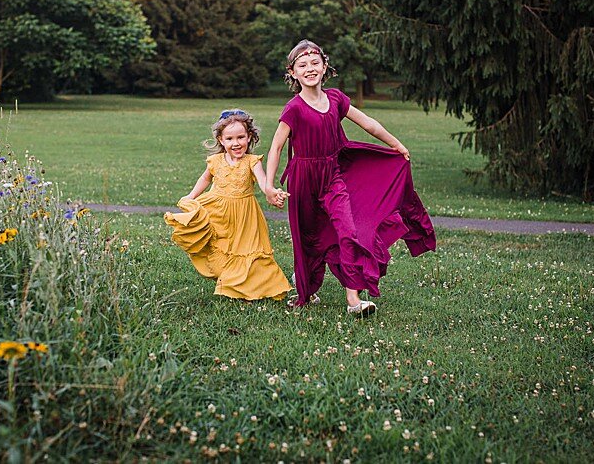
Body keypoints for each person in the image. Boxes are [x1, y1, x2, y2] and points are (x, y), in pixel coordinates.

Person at [264, 41, 436, 314]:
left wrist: (397, 145)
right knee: (309, 238)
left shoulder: (335, 99)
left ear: (324, 66)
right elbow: (276, 148)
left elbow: (368, 123)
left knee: (349, 230)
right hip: (303, 180)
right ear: (293, 73)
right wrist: (268, 186)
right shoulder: (294, 108)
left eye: (314, 63)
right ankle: (306, 285)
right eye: (302, 65)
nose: (310, 69)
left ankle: (354, 300)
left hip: (333, 176)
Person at [164, 110, 290, 302]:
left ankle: (251, 286)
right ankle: (228, 279)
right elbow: (205, 178)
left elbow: (264, 181)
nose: (236, 143)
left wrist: (272, 192)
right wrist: (191, 196)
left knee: (247, 249)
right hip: (217, 208)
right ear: (221, 140)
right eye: (230, 138)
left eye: (241, 137)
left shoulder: (252, 162)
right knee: (218, 243)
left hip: (244, 214)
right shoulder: (215, 161)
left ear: (249, 137)